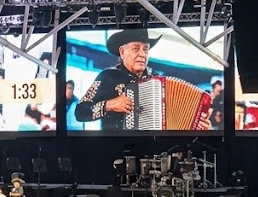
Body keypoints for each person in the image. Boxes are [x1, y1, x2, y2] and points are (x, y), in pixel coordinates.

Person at [73, 29, 210, 131]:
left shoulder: (157, 79)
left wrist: (196, 123)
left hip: (154, 150)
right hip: (116, 147)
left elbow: (173, 119)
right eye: (136, 49)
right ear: (122, 52)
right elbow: (80, 112)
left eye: (146, 49)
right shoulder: (108, 77)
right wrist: (110, 105)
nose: (142, 54)